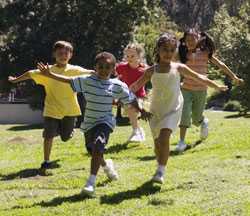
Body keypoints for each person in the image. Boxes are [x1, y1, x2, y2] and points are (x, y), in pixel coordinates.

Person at [37, 52, 151, 195]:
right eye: (101, 67)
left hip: (105, 123)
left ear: (113, 69)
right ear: (95, 67)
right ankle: (107, 166)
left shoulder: (117, 85)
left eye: (107, 67)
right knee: (94, 151)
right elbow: (67, 80)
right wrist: (50, 75)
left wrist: (142, 110)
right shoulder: (87, 80)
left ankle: (90, 183)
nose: (104, 70)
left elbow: (130, 98)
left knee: (98, 146)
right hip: (89, 123)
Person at [130, 33, 228, 184]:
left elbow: (199, 77)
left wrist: (217, 86)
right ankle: (160, 164)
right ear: (158, 50)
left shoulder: (179, 67)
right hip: (155, 110)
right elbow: (135, 87)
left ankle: (160, 172)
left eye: (171, 50)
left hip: (173, 108)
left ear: (175, 51)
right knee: (158, 145)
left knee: (164, 137)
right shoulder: (151, 70)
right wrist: (134, 103)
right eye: (165, 49)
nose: (168, 53)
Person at [8, 41, 93, 170]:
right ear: (54, 54)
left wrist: (105, 73)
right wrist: (15, 80)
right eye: (60, 53)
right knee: (48, 135)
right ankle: (46, 161)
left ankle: (67, 131)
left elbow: (90, 72)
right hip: (51, 109)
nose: (63, 56)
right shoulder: (47, 71)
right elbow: (30, 73)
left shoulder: (75, 70)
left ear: (71, 55)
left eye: (66, 53)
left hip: (70, 110)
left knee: (65, 138)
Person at [175, 29, 244, 152]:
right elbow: (168, 63)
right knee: (184, 114)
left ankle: (203, 121)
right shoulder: (182, 54)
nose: (190, 42)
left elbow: (221, 65)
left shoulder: (205, 53)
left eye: (193, 39)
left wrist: (233, 77)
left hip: (201, 90)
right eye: (188, 40)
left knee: (196, 119)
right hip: (186, 89)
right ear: (184, 41)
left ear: (198, 39)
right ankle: (181, 142)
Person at [116, 43, 148, 142]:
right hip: (126, 96)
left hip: (140, 96)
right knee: (131, 111)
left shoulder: (144, 69)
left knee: (131, 109)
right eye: (127, 56)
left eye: (132, 56)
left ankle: (136, 131)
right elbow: (112, 73)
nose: (129, 58)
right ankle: (137, 130)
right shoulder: (122, 67)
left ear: (139, 56)